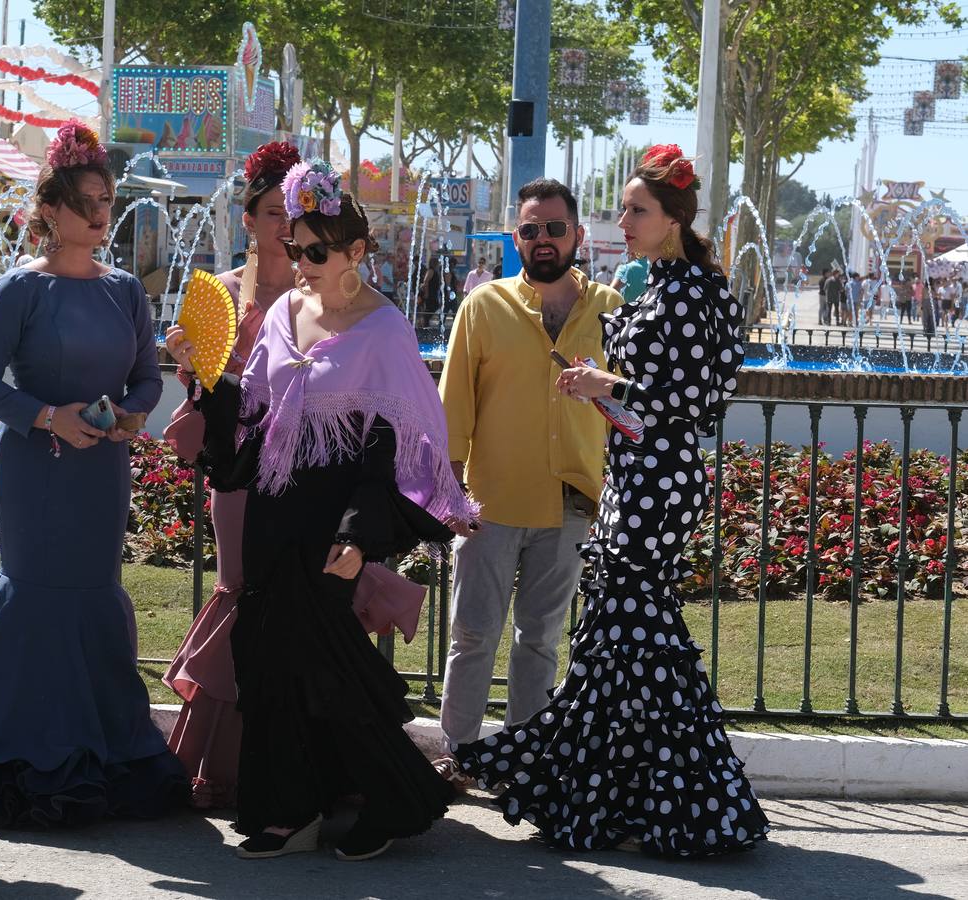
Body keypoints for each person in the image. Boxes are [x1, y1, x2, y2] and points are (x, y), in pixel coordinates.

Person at [455, 144, 769, 856]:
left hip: (658, 480)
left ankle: (670, 798)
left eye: (637, 210)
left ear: (673, 218)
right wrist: (609, 389)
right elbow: (663, 394)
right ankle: (625, 795)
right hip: (637, 473)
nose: (622, 220)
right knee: (621, 641)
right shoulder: (665, 285)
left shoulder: (687, 291)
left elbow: (692, 402)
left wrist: (610, 387)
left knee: (629, 635)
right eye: (625, 208)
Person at [168, 159, 475, 861]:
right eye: (292, 248)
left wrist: (361, 538)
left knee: (327, 666)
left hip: (333, 528)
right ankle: (289, 811)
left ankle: (399, 800)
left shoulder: (387, 332)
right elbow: (249, 422)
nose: (298, 263)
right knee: (267, 662)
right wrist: (204, 378)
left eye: (313, 251)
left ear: (356, 253)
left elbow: (392, 450)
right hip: (274, 514)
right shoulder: (281, 315)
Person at [0, 120, 186, 828]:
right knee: (36, 595)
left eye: (107, 201)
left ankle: (102, 750)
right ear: (51, 210)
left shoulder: (126, 291)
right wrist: (48, 417)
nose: (103, 214)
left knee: (92, 594)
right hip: (35, 470)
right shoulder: (19, 288)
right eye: (87, 203)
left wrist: (132, 415)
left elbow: (146, 377)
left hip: (101, 473)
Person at [433, 179, 620, 788]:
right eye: (531, 229)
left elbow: (634, 407)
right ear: (517, 238)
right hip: (490, 502)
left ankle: (524, 762)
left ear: (577, 235)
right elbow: (453, 405)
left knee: (540, 639)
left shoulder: (612, 311)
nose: (543, 240)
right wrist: (447, 492)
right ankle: (459, 755)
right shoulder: (484, 307)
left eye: (555, 228)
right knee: (473, 633)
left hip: (572, 503)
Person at [161, 140, 303, 809]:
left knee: (293, 596)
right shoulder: (217, 292)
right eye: (271, 211)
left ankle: (288, 759)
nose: (283, 224)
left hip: (303, 468)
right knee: (241, 588)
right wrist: (184, 358)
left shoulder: (316, 296)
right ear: (247, 218)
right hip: (238, 471)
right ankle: (222, 760)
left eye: (292, 212)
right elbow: (199, 387)